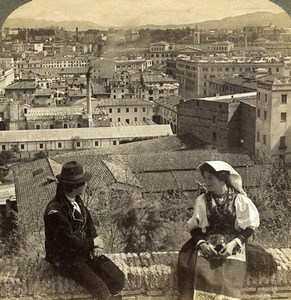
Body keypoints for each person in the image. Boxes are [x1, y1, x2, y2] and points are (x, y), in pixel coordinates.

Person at [177, 160, 260, 300]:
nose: (206, 182)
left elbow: (250, 226)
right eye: (205, 178)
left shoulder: (240, 200)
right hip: (207, 241)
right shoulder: (202, 200)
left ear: (222, 178)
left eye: (210, 178)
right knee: (192, 268)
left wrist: (234, 244)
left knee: (229, 275)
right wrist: (202, 244)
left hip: (233, 242)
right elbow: (194, 226)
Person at [44, 161, 125, 300]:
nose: (86, 185)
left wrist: (96, 245)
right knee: (100, 289)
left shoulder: (76, 200)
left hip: (84, 252)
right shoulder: (55, 211)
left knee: (118, 278)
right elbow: (68, 243)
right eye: (84, 182)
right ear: (74, 186)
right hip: (66, 259)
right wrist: (92, 243)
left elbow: (89, 223)